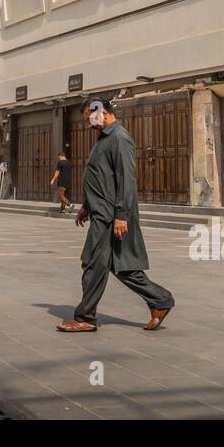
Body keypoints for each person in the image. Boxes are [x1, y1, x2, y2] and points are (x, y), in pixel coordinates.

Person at [57, 97, 175, 332]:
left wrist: (122, 215)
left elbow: (126, 180)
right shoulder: (103, 139)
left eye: (90, 115)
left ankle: (85, 318)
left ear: (102, 112)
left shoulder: (119, 138)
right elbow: (102, 177)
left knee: (93, 263)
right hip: (101, 211)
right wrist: (86, 206)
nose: (88, 121)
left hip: (110, 215)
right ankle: (161, 301)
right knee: (121, 267)